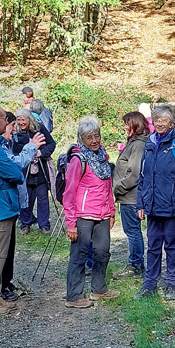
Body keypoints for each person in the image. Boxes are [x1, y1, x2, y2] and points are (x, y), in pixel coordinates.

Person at [0, 105, 41, 315]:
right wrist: (30, 149)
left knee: (1, 255)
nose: (8, 123)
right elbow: (14, 171)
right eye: (4, 119)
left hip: (5, 206)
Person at [135, 105, 175, 301]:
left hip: (172, 209)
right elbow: (143, 177)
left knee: (171, 246)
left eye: (164, 120)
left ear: (172, 123)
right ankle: (149, 284)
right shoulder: (150, 144)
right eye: (157, 120)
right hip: (152, 207)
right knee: (152, 246)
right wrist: (140, 204)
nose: (160, 123)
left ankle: (171, 284)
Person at [63, 116, 119, 309]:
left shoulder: (103, 157)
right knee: (79, 255)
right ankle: (74, 296)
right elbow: (69, 193)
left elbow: (108, 186)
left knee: (102, 252)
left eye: (96, 136)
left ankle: (99, 289)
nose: (94, 141)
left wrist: (111, 212)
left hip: (103, 214)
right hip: (83, 215)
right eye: (89, 137)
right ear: (81, 140)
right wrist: (70, 223)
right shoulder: (79, 161)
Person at [112, 111, 151, 278]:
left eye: (126, 123)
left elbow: (134, 174)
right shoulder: (133, 142)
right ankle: (136, 263)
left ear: (135, 125)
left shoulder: (138, 145)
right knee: (132, 231)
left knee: (133, 231)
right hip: (128, 195)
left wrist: (117, 188)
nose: (124, 127)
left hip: (131, 196)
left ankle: (136, 265)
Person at [12, 108, 56, 234]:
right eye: (18, 119)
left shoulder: (40, 129)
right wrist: (25, 155)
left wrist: (41, 152)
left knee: (43, 199)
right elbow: (13, 152)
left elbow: (51, 144)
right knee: (26, 199)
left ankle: (44, 225)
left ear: (29, 119)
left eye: (23, 119)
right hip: (24, 170)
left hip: (40, 170)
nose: (20, 122)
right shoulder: (15, 134)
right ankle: (25, 224)